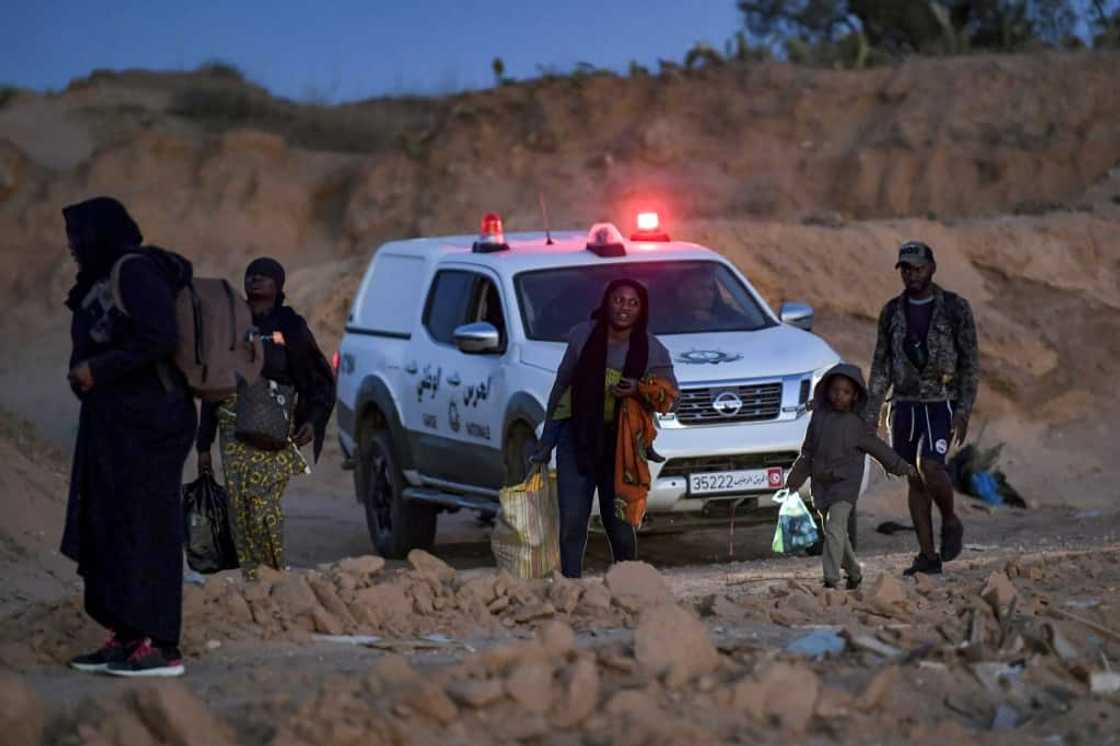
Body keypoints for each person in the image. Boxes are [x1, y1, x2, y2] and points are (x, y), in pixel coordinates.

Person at [61, 197, 197, 677]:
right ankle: (127, 634)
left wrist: (99, 368)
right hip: (116, 421)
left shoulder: (135, 271)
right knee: (112, 524)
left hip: (153, 421)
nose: (73, 247)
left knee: (148, 530)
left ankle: (162, 646)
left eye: (79, 237)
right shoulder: (101, 277)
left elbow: (159, 337)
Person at [196, 258, 335, 580]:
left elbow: (317, 378)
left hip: (275, 424)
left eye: (264, 276)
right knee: (239, 506)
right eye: (250, 275)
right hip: (232, 427)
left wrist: (312, 420)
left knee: (264, 505)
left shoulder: (291, 325)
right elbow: (213, 384)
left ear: (278, 286)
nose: (255, 279)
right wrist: (203, 445)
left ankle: (273, 574)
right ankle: (252, 579)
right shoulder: (229, 325)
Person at [533, 279, 677, 578]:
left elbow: (670, 398)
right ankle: (570, 585)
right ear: (606, 302)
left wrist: (638, 388)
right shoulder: (582, 336)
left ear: (642, 310)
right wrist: (547, 441)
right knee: (572, 520)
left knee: (620, 524)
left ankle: (629, 584)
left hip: (621, 446)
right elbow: (562, 387)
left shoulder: (652, 349)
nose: (624, 307)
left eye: (632, 302)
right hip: (578, 438)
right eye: (618, 299)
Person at [864, 241, 979, 576]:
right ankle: (928, 555)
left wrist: (963, 410)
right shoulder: (891, 312)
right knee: (914, 478)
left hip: (940, 402)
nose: (912, 274)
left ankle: (951, 519)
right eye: (906, 268)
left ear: (932, 268)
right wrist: (871, 413)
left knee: (931, 465)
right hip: (904, 404)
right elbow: (881, 364)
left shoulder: (956, 309)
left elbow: (970, 364)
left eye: (917, 267)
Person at [787, 364, 917, 589]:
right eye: (835, 390)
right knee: (835, 531)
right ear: (827, 390)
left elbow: (879, 449)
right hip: (822, 485)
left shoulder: (858, 426)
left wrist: (901, 466)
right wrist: (793, 481)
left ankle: (830, 578)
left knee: (835, 528)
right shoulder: (818, 420)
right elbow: (807, 453)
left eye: (846, 392)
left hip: (845, 485)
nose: (839, 396)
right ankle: (855, 572)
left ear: (855, 395)